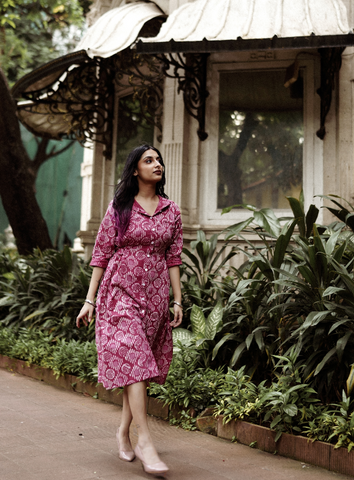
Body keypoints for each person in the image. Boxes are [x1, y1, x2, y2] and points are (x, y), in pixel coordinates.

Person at [76, 144, 183, 476]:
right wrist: (89, 300)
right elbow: (101, 254)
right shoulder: (119, 207)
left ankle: (122, 431)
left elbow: (174, 259)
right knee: (134, 360)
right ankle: (144, 440)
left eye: (158, 160)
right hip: (119, 294)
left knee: (138, 370)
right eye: (148, 160)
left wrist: (177, 300)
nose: (157, 164)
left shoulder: (172, 211)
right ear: (135, 170)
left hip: (154, 300)